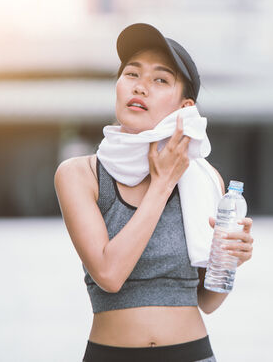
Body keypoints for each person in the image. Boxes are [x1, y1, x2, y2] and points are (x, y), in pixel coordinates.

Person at [54, 23, 254, 362]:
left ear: (184, 108)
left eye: (160, 79)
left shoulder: (204, 179)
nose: (141, 87)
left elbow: (206, 301)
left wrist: (230, 260)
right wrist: (161, 184)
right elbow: (109, 274)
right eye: (132, 73)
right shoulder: (80, 174)